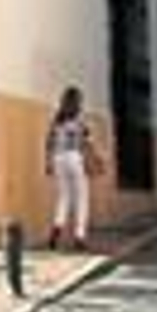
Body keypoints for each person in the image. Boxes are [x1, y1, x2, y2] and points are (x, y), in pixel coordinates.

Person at [45, 85, 97, 251]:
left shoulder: (57, 119)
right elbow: (88, 142)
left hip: (58, 158)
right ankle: (79, 237)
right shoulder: (81, 119)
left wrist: (48, 163)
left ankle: (56, 229)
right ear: (77, 101)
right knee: (82, 198)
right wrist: (96, 160)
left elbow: (49, 141)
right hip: (74, 157)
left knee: (64, 197)